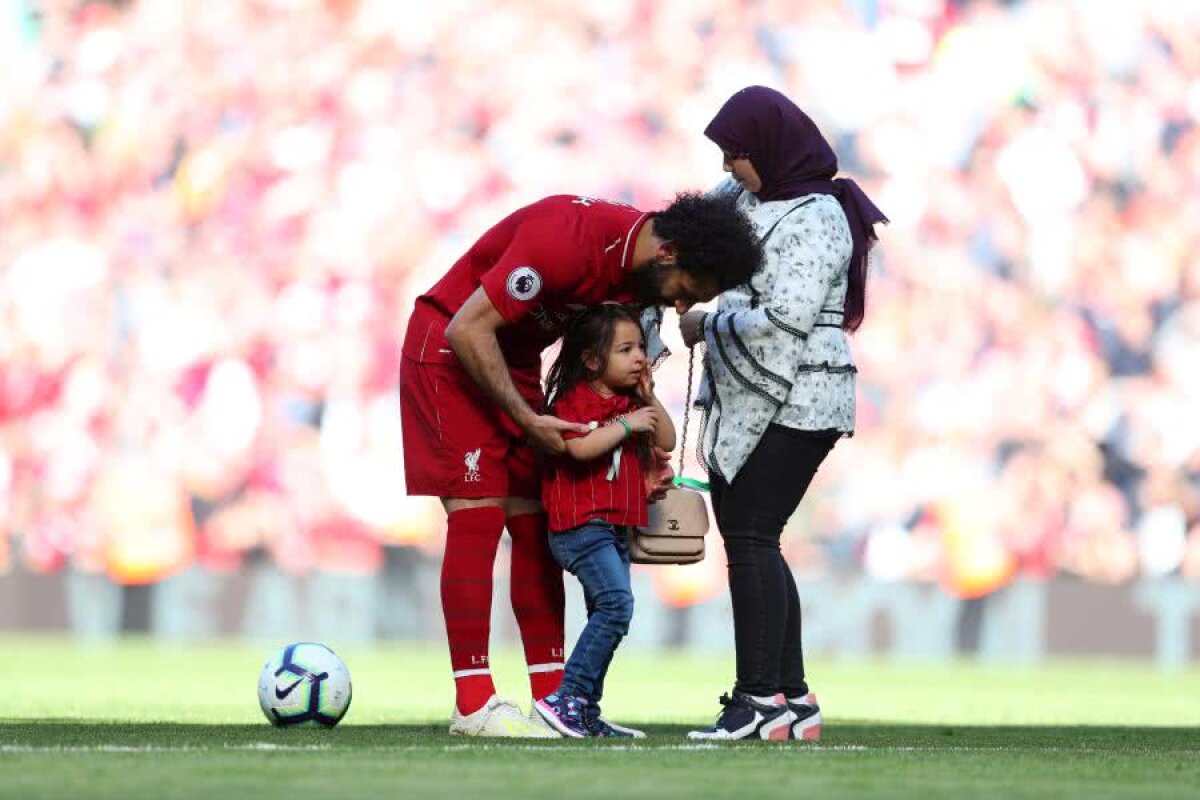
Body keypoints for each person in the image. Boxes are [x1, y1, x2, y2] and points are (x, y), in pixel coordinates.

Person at [399, 192, 762, 737]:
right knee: (477, 515)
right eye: (687, 293)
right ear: (668, 254)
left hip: (511, 364)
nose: (684, 307)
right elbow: (466, 329)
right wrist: (527, 420)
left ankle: (555, 701)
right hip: (451, 355)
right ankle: (473, 703)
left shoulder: (636, 280)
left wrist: (642, 457)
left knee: (535, 519)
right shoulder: (564, 242)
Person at [679, 86, 887, 741]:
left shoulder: (818, 214)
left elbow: (786, 319)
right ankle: (792, 701)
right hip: (758, 395)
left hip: (803, 395)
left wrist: (707, 320)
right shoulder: (745, 196)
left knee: (749, 537)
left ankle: (757, 699)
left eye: (737, 155)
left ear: (769, 150)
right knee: (757, 537)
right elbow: (685, 226)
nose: (727, 169)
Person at [532, 305, 676, 738]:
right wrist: (627, 425)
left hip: (614, 527)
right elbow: (578, 448)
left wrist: (648, 400)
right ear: (593, 360)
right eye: (626, 349)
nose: (639, 358)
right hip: (581, 524)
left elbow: (666, 438)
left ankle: (586, 709)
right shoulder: (574, 400)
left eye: (640, 348)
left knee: (608, 611)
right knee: (617, 605)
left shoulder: (633, 402)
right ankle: (567, 696)